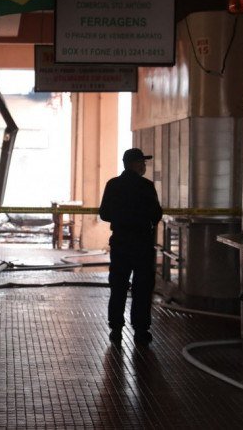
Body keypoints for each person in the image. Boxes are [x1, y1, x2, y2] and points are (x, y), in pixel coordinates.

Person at [99, 148, 163, 346]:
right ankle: (141, 330)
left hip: (120, 243)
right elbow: (156, 214)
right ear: (135, 164)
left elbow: (104, 214)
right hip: (142, 244)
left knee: (118, 286)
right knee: (142, 288)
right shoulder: (146, 186)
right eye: (142, 162)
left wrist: (121, 216)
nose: (144, 166)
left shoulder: (113, 185)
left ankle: (116, 329)